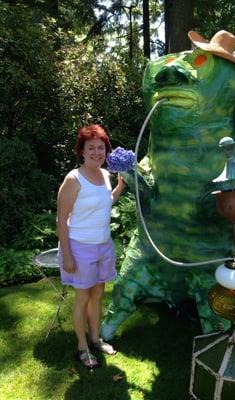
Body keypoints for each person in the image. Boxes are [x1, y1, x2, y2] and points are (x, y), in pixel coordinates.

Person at [57, 124, 126, 369]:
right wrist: (67, 255)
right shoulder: (73, 179)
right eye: (91, 148)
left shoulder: (105, 175)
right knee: (83, 298)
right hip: (80, 247)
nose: (97, 152)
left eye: (101, 148)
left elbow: (104, 203)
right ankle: (82, 347)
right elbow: (62, 220)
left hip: (103, 245)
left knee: (98, 295)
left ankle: (95, 339)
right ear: (82, 151)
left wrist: (119, 187)